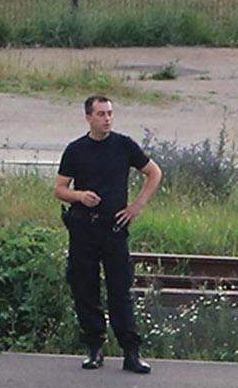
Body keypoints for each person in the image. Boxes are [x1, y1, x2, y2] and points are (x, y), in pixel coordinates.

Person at [54, 95, 163, 373]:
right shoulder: (76, 150)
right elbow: (60, 189)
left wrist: (136, 206)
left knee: (119, 291)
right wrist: (79, 196)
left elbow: (154, 173)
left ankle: (131, 351)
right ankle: (94, 347)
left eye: (110, 113)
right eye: (101, 114)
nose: (107, 119)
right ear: (89, 117)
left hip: (114, 227)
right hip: (83, 227)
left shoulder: (123, 145)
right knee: (85, 290)